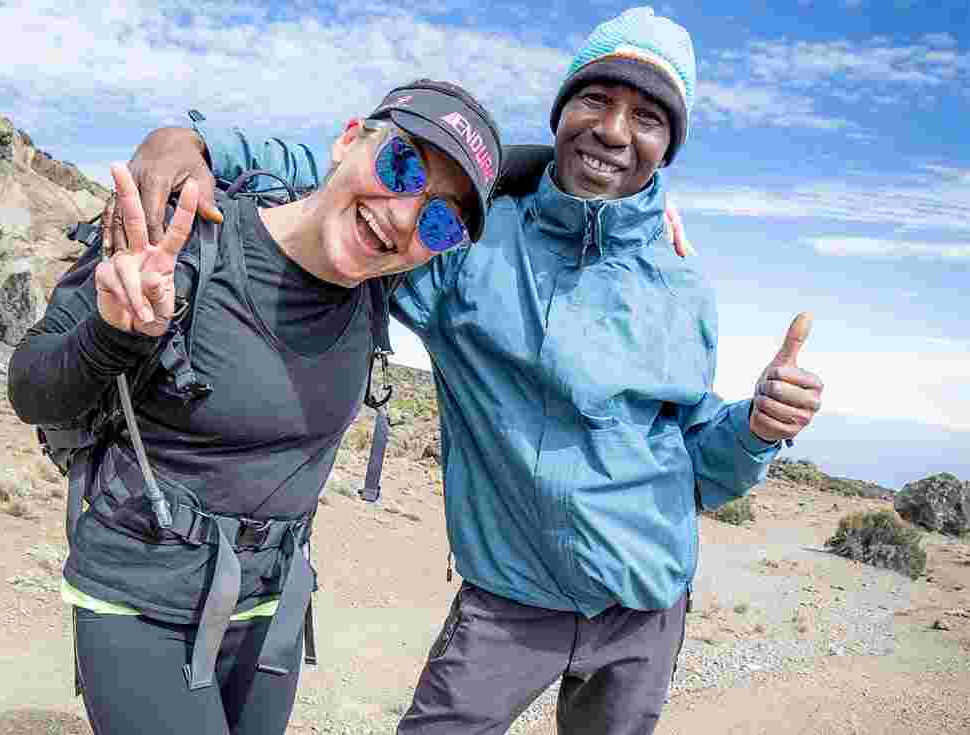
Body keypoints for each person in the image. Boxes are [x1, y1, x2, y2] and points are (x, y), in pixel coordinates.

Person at [113, 7, 825, 734]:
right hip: (509, 603)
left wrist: (756, 427)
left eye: (647, 116)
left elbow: (697, 461)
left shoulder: (681, 283)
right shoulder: (465, 245)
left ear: (668, 147)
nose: (613, 128)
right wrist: (197, 142)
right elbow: (349, 179)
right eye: (593, 99)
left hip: (647, 610)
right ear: (560, 111)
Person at [7, 79, 503, 735]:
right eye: (401, 165)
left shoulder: (380, 285)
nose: (405, 216)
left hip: (273, 607)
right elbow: (30, 387)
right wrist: (113, 334)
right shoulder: (183, 236)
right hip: (142, 598)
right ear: (349, 139)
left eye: (439, 219)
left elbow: (550, 177)